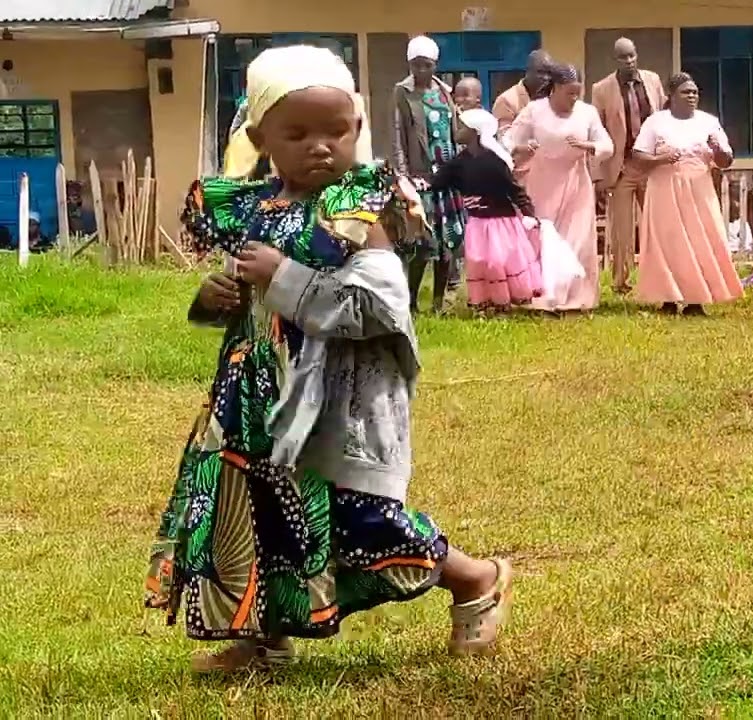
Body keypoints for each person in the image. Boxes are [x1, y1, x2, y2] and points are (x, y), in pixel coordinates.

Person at [144, 46, 513, 673]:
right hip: (250, 397)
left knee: (358, 518)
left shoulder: (357, 212)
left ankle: (475, 579)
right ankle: (261, 638)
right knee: (249, 513)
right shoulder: (250, 209)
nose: (320, 147)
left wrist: (283, 276)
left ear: (357, 128)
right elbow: (248, 305)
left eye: (335, 132)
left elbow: (380, 309)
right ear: (260, 138)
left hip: (334, 404)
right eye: (298, 134)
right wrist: (212, 299)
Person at [505, 63, 613, 313]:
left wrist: (588, 146)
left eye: (577, 92)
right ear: (554, 88)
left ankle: (575, 297)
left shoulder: (587, 112)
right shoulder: (535, 110)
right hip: (542, 181)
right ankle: (544, 296)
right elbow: (509, 140)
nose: (574, 98)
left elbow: (607, 145)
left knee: (576, 238)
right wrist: (523, 148)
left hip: (576, 182)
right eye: (569, 92)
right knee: (545, 237)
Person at [632, 72, 742, 316]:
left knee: (700, 241)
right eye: (685, 92)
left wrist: (717, 149)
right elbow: (638, 156)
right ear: (671, 96)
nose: (691, 96)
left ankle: (696, 300)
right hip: (664, 191)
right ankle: (668, 299)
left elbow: (725, 161)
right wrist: (660, 159)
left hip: (699, 191)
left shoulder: (708, 122)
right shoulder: (656, 122)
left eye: (694, 92)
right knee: (668, 242)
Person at [427, 108, 543, 311]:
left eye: (462, 127)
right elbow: (439, 181)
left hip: (500, 222)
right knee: (479, 261)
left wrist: (528, 213)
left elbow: (514, 190)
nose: (457, 131)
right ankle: (486, 300)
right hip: (477, 222)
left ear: (475, 132)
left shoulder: (494, 162)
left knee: (497, 261)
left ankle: (503, 301)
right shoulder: (460, 162)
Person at [390, 35, 466, 314]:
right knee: (422, 242)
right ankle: (411, 302)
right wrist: (404, 175)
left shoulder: (445, 92)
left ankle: (438, 303)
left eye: (427, 65)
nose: (421, 70)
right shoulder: (403, 92)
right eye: (416, 64)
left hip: (447, 175)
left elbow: (455, 132)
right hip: (420, 177)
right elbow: (398, 135)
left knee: (448, 241)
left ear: (435, 65)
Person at [590, 37, 666, 295]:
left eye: (632, 55)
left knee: (658, 224)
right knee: (622, 231)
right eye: (623, 57)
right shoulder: (602, 89)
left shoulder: (652, 80)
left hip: (650, 165)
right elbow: (596, 131)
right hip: (621, 168)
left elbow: (662, 118)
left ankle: (659, 277)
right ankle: (621, 282)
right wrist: (598, 173)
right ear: (615, 60)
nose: (629, 61)